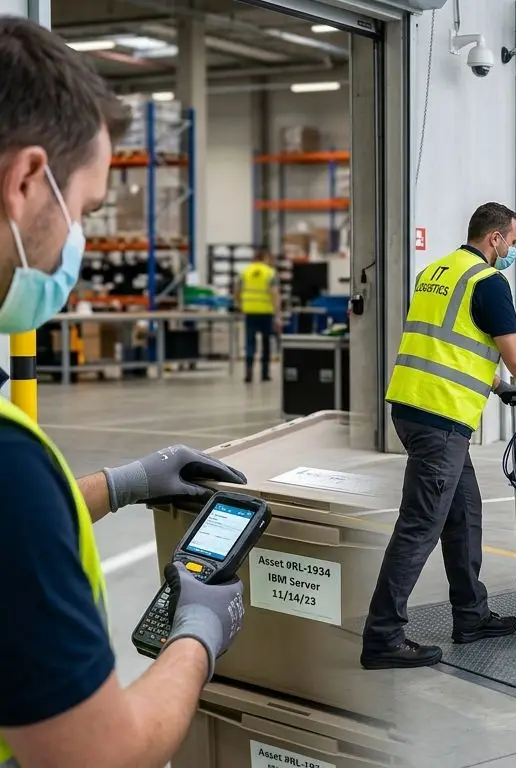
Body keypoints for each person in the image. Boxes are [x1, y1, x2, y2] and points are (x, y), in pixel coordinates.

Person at [0, 17, 250, 767]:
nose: (77, 238)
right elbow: (101, 755)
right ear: (24, 181)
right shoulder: (9, 468)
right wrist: (197, 635)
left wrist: (120, 485)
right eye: (83, 211)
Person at [360, 202, 516, 670]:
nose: (513, 251)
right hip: (440, 418)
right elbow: (514, 353)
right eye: (512, 243)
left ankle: (471, 617)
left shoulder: (437, 271)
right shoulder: (488, 281)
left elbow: (450, 340)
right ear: (495, 239)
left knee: (465, 514)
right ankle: (382, 637)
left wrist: (498, 387)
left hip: (415, 406)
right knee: (419, 528)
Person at [235, 248, 280, 383]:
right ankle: (264, 373)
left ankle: (248, 373)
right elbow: (275, 293)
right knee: (266, 343)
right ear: (265, 258)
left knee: (250, 342)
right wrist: (277, 313)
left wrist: (240, 304)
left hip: (250, 311)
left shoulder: (244, 272)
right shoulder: (270, 273)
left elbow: (237, 290)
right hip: (266, 311)